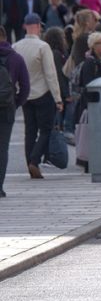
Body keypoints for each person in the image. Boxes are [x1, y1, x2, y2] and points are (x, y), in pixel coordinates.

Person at [13, 13, 63, 179]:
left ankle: (30, 164)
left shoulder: (16, 47)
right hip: (43, 94)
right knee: (46, 130)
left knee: (30, 131)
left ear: (24, 26)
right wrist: (58, 98)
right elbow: (50, 74)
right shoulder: (43, 47)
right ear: (38, 27)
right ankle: (35, 161)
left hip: (25, 95)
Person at [72, 32, 101, 171]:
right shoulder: (90, 62)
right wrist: (95, 102)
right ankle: (88, 163)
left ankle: (94, 161)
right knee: (90, 134)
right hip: (92, 104)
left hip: (100, 104)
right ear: (93, 45)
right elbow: (89, 85)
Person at [0, 27, 31, 197]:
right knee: (2, 148)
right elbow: (25, 87)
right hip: (6, 109)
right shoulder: (16, 58)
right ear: (5, 38)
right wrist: (15, 103)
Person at [42, 27, 70, 158]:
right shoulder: (57, 54)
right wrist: (66, 95)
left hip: (48, 93)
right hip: (56, 94)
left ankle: (47, 154)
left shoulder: (48, 52)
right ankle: (50, 154)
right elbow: (59, 76)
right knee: (54, 125)